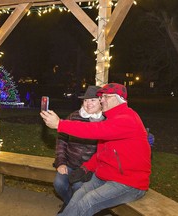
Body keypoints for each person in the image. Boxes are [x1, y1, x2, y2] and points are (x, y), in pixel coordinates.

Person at [41, 83, 151, 216]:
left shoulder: (127, 119)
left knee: (89, 200)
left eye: (105, 97)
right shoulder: (111, 118)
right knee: (79, 194)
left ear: (118, 98)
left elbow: (95, 130)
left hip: (129, 183)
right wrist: (86, 168)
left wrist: (60, 124)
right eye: (101, 97)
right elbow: (101, 153)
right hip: (105, 175)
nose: (101, 100)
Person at [53, 86, 105, 212]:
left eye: (92, 100)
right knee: (59, 184)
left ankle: (70, 208)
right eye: (86, 100)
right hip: (70, 163)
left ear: (100, 101)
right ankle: (70, 203)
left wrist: (90, 168)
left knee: (78, 187)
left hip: (91, 168)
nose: (88, 104)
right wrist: (61, 162)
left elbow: (104, 150)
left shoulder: (106, 121)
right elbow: (61, 140)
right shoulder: (74, 116)